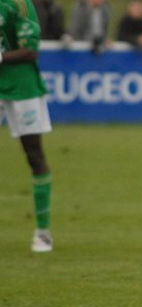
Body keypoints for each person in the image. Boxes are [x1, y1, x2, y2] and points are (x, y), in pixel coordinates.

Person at [0, 0, 54, 253]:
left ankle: (43, 233)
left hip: (22, 83)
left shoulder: (19, 4)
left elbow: (30, 51)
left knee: (34, 154)